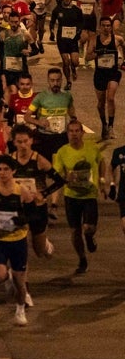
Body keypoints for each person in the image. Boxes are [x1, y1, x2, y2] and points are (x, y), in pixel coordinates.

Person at [0, 157, 35, 325]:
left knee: (20, 282)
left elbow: (33, 211)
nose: (2, 173)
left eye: (6, 169)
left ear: (13, 171)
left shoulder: (21, 191)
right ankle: (7, 276)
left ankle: (20, 309)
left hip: (17, 239)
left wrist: (23, 219)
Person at [51, 118, 109, 275]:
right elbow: (57, 173)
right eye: (71, 131)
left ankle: (89, 237)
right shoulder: (63, 152)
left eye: (77, 131)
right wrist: (64, 179)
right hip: (71, 196)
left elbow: (102, 162)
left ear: (82, 133)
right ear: (67, 133)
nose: (74, 134)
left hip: (89, 195)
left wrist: (102, 181)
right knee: (75, 232)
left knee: (88, 228)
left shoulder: (91, 149)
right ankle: (82, 258)